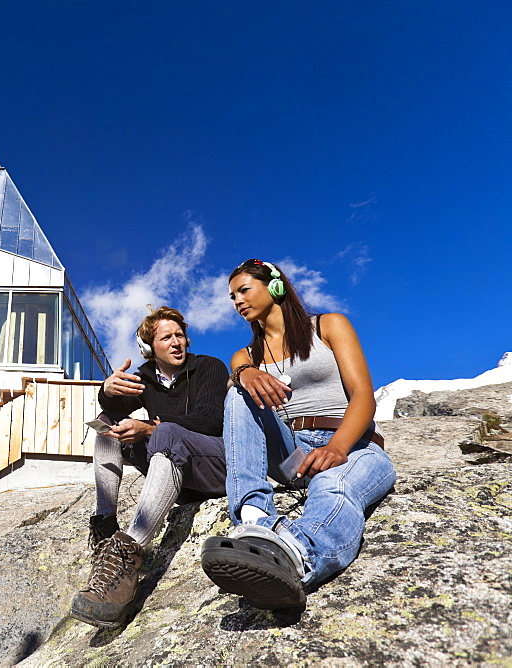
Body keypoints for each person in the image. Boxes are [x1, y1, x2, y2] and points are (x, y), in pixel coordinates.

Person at [201, 259, 396, 610]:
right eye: (231, 297)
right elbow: (239, 379)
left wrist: (338, 447)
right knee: (238, 392)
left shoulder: (329, 325)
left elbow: (364, 396)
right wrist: (244, 373)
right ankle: (254, 521)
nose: (237, 302)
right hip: (294, 455)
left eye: (244, 290)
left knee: (332, 485)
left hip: (355, 446)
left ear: (275, 286)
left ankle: (296, 556)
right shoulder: (245, 355)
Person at [70, 307, 228, 629]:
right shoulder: (143, 378)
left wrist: (151, 427)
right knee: (106, 427)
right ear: (148, 348)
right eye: (166, 337)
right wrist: (108, 391)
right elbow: (112, 408)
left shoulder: (209, 367)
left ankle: (131, 552)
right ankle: (105, 529)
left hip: (214, 464)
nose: (176, 342)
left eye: (179, 335)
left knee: (165, 433)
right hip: (176, 474)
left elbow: (211, 421)